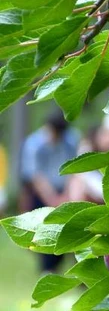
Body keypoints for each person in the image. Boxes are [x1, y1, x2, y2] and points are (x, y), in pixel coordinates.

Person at [19, 109, 79, 272]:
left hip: (64, 191)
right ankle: (47, 268)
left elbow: (73, 169)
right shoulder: (34, 144)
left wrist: (66, 195)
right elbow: (35, 177)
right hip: (41, 194)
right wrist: (52, 198)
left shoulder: (70, 140)